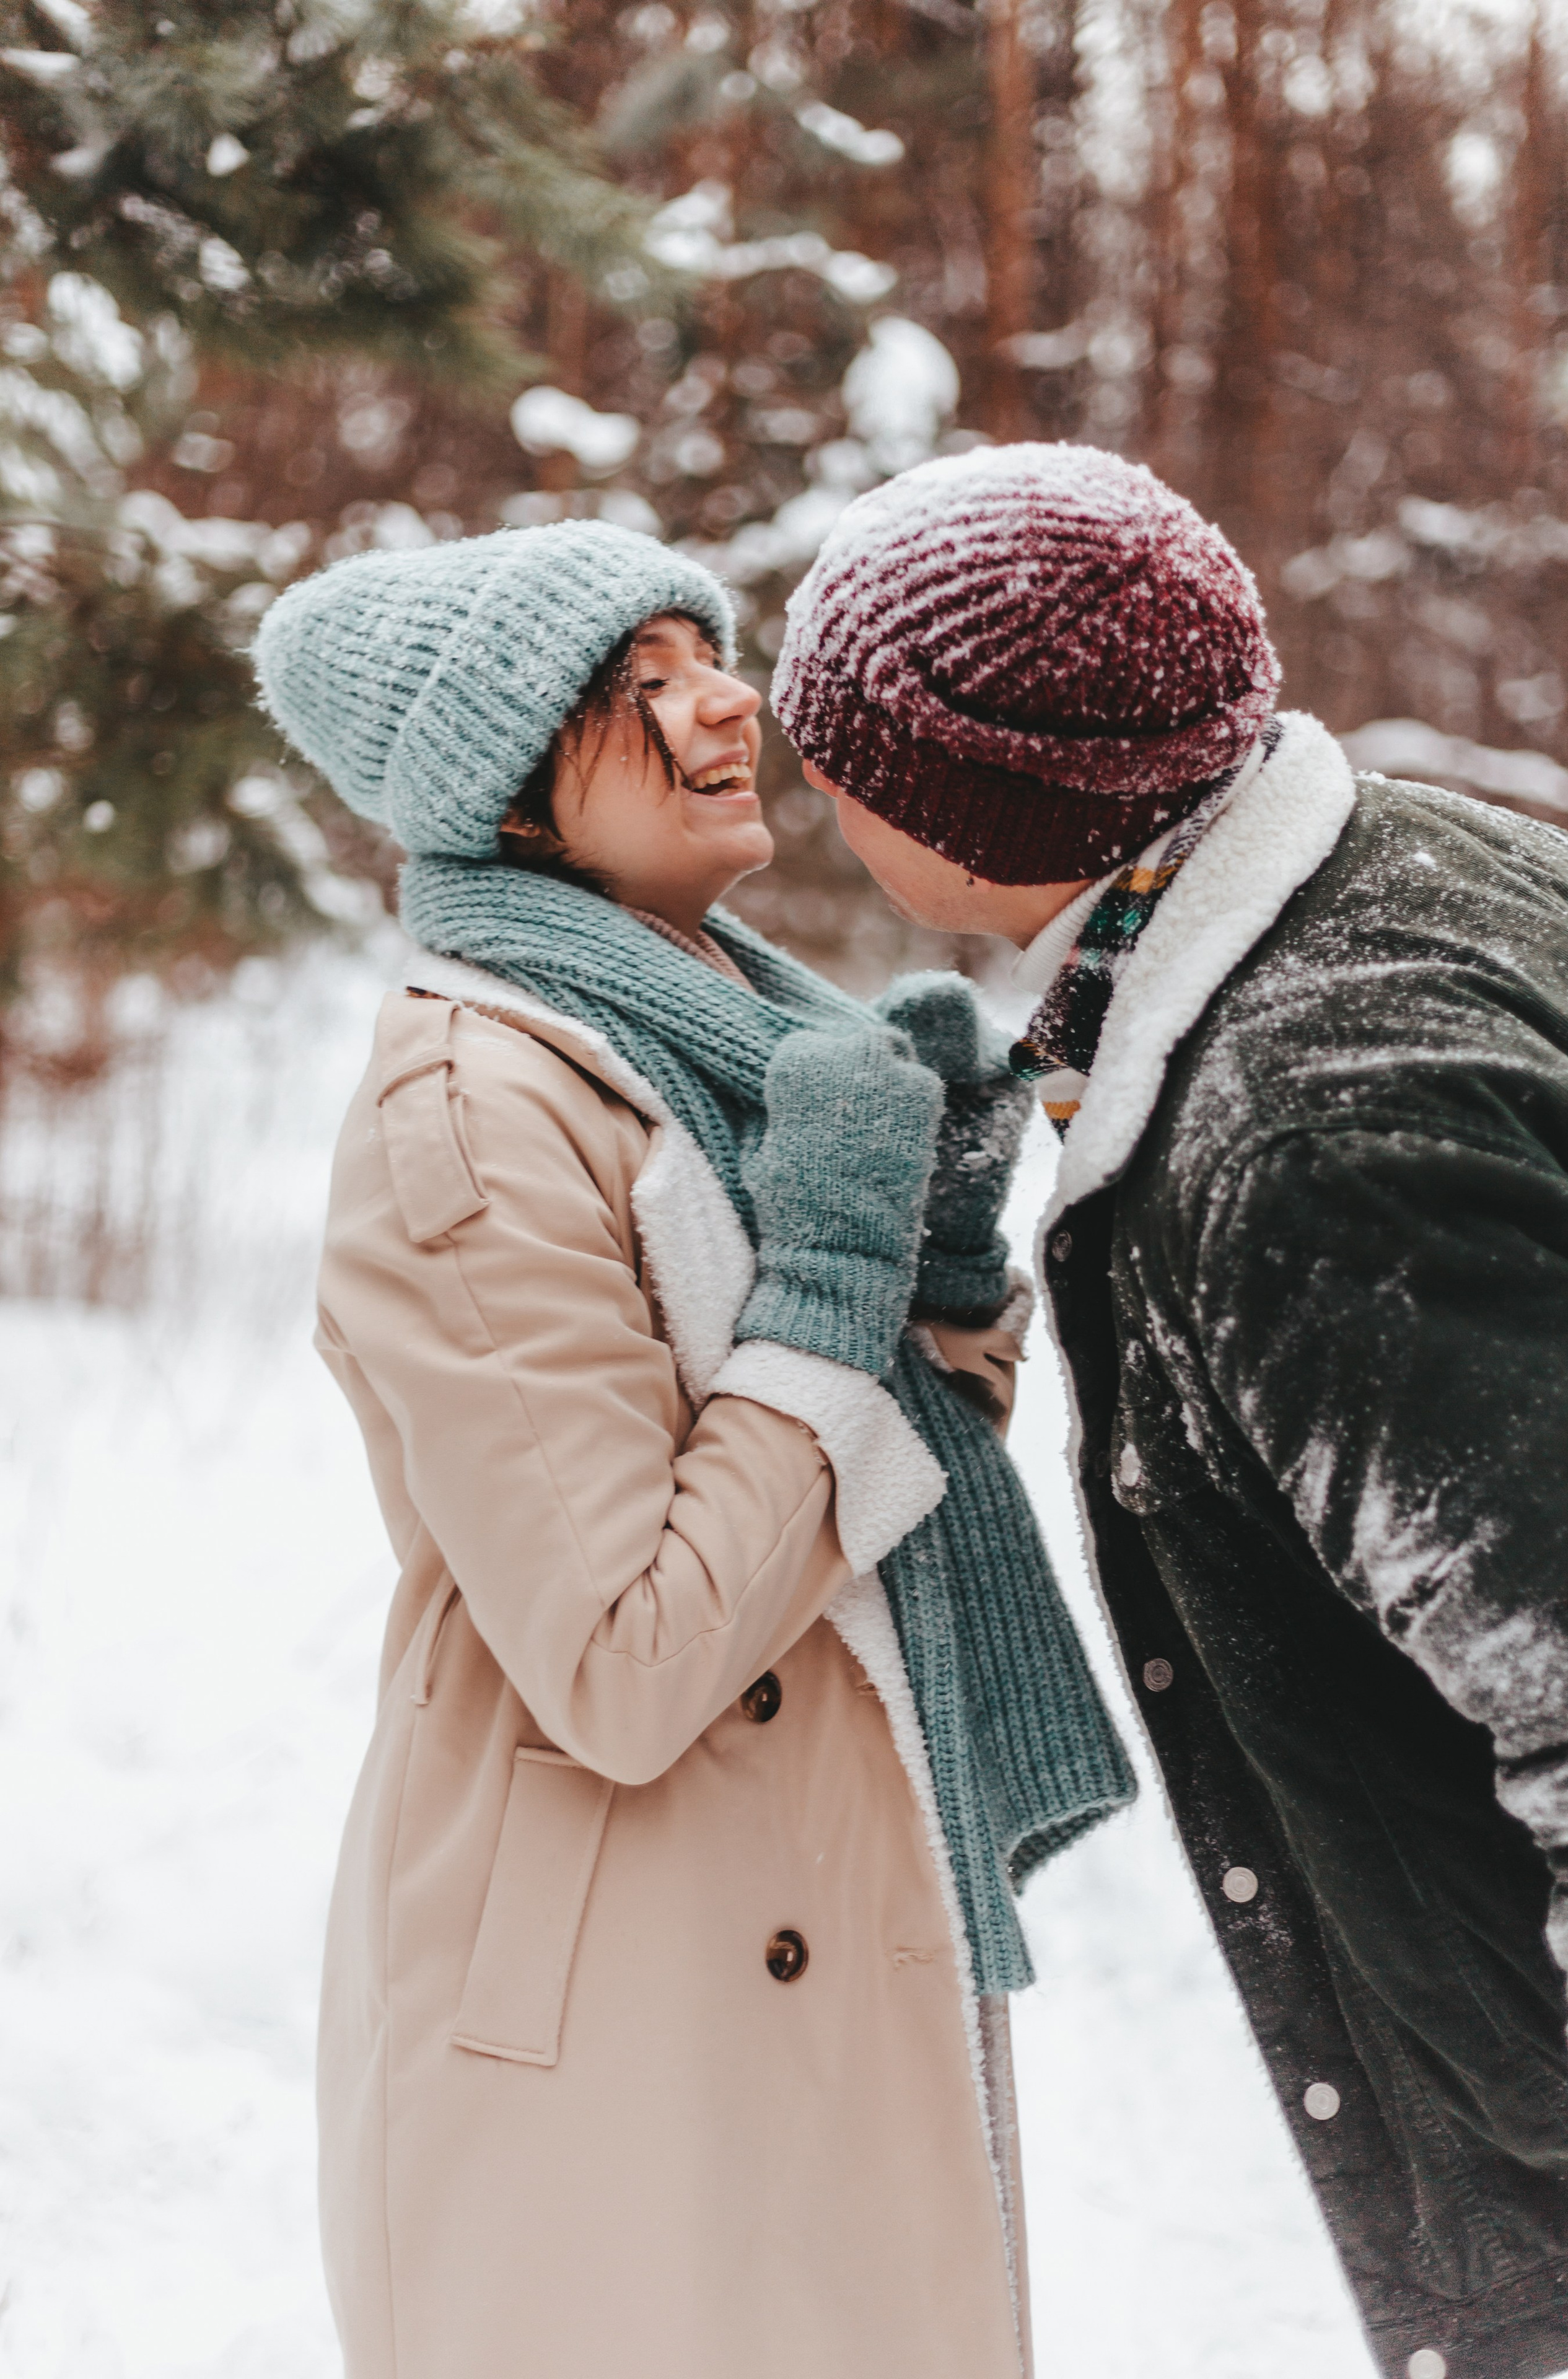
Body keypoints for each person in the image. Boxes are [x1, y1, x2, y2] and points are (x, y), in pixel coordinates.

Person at [253, 520, 1132, 2379]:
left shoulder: (723, 1040)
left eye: (707, 659)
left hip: (811, 1940)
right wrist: (831, 1277)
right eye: (642, 684)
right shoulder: (473, 1111)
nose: (728, 699)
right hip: (614, 2034)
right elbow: (631, 1662)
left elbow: (861, 1494)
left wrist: (942, 1271)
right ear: (504, 797)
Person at [771, 440, 1568, 2379]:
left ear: (962, 814)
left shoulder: (1312, 1141)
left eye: (845, 756)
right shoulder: (1427, 862)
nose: (804, 784)